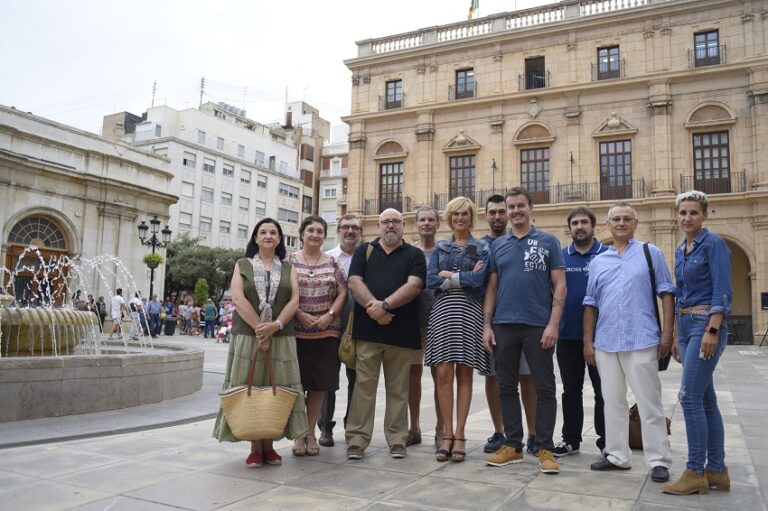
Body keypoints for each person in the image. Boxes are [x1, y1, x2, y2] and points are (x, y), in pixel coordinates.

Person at [584, 202, 674, 483]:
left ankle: (658, 460)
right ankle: (617, 455)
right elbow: (590, 303)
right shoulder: (598, 262)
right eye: (616, 219)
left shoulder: (651, 253)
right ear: (607, 226)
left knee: (649, 403)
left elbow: (667, 293)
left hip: (642, 339)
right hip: (606, 342)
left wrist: (668, 334)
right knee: (611, 401)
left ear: (635, 224)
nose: (621, 223)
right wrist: (588, 341)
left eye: (627, 219)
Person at [212, 217, 307, 468]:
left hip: (282, 335)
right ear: (255, 238)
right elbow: (237, 298)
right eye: (263, 232)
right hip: (248, 335)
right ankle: (255, 447)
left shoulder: (289, 268)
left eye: (273, 232)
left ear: (279, 239)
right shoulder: (242, 265)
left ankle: (270, 446)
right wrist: (260, 329)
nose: (268, 236)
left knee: (277, 388)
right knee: (251, 386)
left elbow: (294, 301)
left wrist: (275, 326)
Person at [483, 187, 565, 475]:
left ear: (531, 208)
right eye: (511, 207)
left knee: (544, 387)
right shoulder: (498, 246)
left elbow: (560, 285)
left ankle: (544, 447)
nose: (515, 211)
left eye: (520, 206)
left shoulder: (548, 241)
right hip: (504, 325)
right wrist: (487, 325)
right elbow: (492, 287)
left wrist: (553, 323)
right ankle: (513, 446)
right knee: (506, 386)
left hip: (538, 325)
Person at [663, 190, 732, 495]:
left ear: (705, 215)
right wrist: (677, 334)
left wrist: (713, 330)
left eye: (693, 212)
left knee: (688, 398)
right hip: (688, 323)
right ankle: (716, 471)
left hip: (707, 323)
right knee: (705, 399)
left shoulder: (713, 244)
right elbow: (680, 293)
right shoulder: (681, 248)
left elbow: (723, 290)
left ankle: (694, 471)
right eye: (683, 213)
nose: (687, 217)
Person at [345, 208, 426, 460]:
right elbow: (354, 282)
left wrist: (385, 306)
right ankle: (357, 441)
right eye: (386, 222)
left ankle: (397, 440)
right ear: (378, 226)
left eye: (395, 222)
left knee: (398, 390)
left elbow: (414, 285)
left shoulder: (414, 254)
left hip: (402, 334)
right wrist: (375, 308)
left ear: (403, 225)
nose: (390, 226)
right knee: (363, 388)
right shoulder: (364, 251)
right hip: (367, 332)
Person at [425, 197, 490, 463]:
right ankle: (447, 434)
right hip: (442, 312)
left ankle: (461, 434)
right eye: (455, 215)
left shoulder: (481, 247)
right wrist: (463, 278)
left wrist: (448, 275)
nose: (460, 218)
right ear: (450, 218)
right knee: (442, 372)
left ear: (471, 217)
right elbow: (430, 280)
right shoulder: (441, 247)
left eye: (465, 214)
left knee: (464, 372)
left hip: (470, 312)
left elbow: (480, 281)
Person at [480, 194, 538, 455]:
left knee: (528, 378)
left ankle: (534, 434)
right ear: (486, 216)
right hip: (494, 322)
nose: (497, 216)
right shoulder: (480, 246)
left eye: (501, 211)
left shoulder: (528, 242)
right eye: (492, 212)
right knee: (494, 378)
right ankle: (499, 431)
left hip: (524, 320)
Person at [289, 215, 347, 457]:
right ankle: (299, 434)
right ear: (302, 233)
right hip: (295, 332)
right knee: (296, 385)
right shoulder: (289, 261)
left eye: (320, 231)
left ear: (325, 236)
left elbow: (343, 291)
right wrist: (299, 313)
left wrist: (330, 315)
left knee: (318, 386)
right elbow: (283, 293)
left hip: (326, 333)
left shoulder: (333, 262)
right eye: (310, 230)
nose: (314, 235)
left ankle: (311, 432)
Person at [554, 207, 608, 457]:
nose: (579, 227)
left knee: (603, 391)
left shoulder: (606, 255)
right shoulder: (561, 257)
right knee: (570, 390)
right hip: (566, 336)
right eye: (574, 223)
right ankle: (570, 440)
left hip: (601, 337)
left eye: (584, 222)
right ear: (570, 228)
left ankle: (606, 441)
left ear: (593, 226)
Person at [318, 214, 363, 447]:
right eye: (346, 227)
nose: (350, 231)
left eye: (355, 228)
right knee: (327, 379)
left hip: (359, 327)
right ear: (338, 231)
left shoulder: (367, 258)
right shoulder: (328, 258)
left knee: (356, 378)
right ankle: (325, 426)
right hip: (331, 325)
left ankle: (351, 425)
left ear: (361, 233)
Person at [413, 205, 443, 448]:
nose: (426, 223)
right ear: (416, 224)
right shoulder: (410, 252)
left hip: (439, 321)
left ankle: (441, 428)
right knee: (412, 376)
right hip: (412, 322)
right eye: (422, 219)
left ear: (437, 224)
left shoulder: (444, 251)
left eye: (430, 220)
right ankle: (414, 427)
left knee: (439, 376)